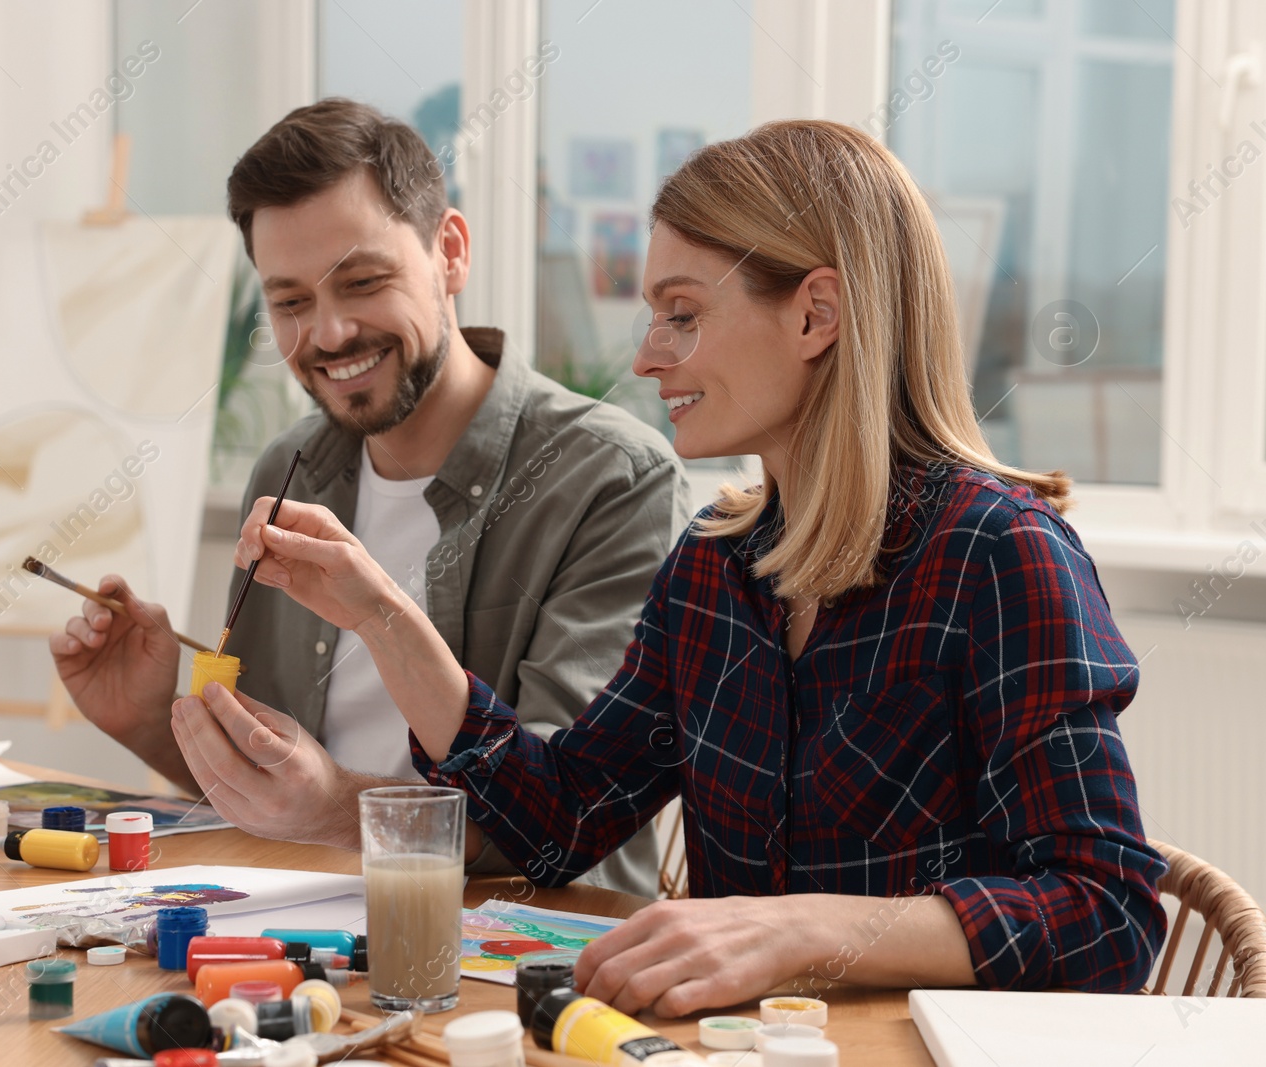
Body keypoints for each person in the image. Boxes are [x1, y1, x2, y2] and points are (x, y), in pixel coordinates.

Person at [189, 119, 1169, 1016]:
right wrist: (383, 616)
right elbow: (557, 818)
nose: (649, 356)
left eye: (683, 315)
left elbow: (1104, 913)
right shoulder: (717, 565)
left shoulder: (1000, 555)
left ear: (814, 314)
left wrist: (804, 929)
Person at [49, 98, 690, 899]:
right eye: (290, 302)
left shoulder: (612, 479)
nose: (328, 333)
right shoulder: (289, 471)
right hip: (308, 928)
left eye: (362, 281)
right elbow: (277, 790)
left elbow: (564, 813)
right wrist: (147, 718)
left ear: (449, 252)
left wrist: (335, 809)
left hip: (521, 957)